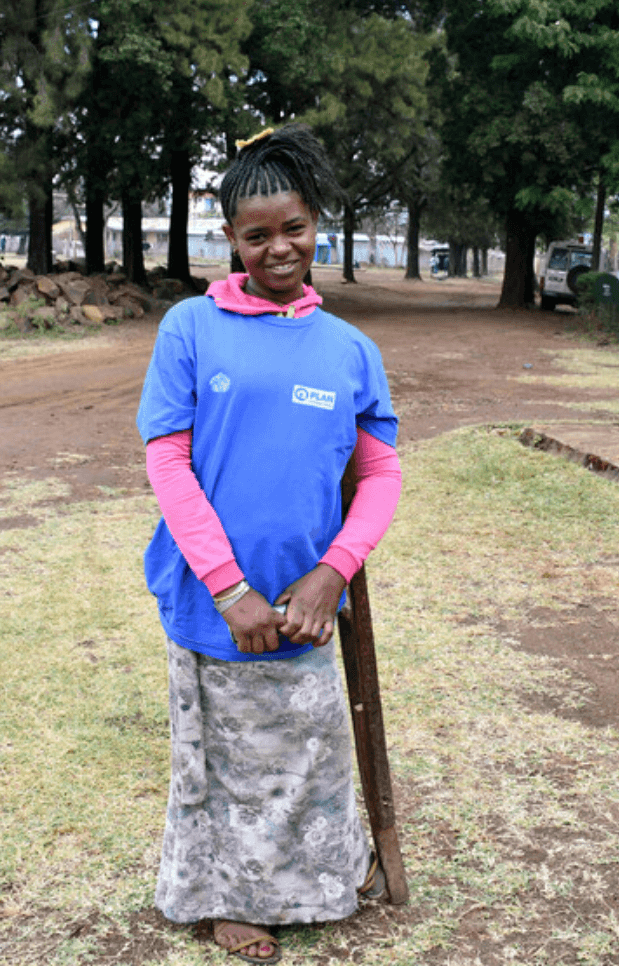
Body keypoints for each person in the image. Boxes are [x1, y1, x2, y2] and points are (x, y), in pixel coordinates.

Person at [136, 124, 402, 964]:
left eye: (294, 228)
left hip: (305, 601)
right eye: (257, 235)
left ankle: (317, 884)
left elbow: (381, 475)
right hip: (213, 597)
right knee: (218, 764)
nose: (279, 248)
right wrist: (226, 587)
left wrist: (334, 573)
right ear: (232, 239)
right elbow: (168, 462)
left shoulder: (351, 350)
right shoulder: (189, 328)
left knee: (305, 754)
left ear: (316, 222)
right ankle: (223, 901)